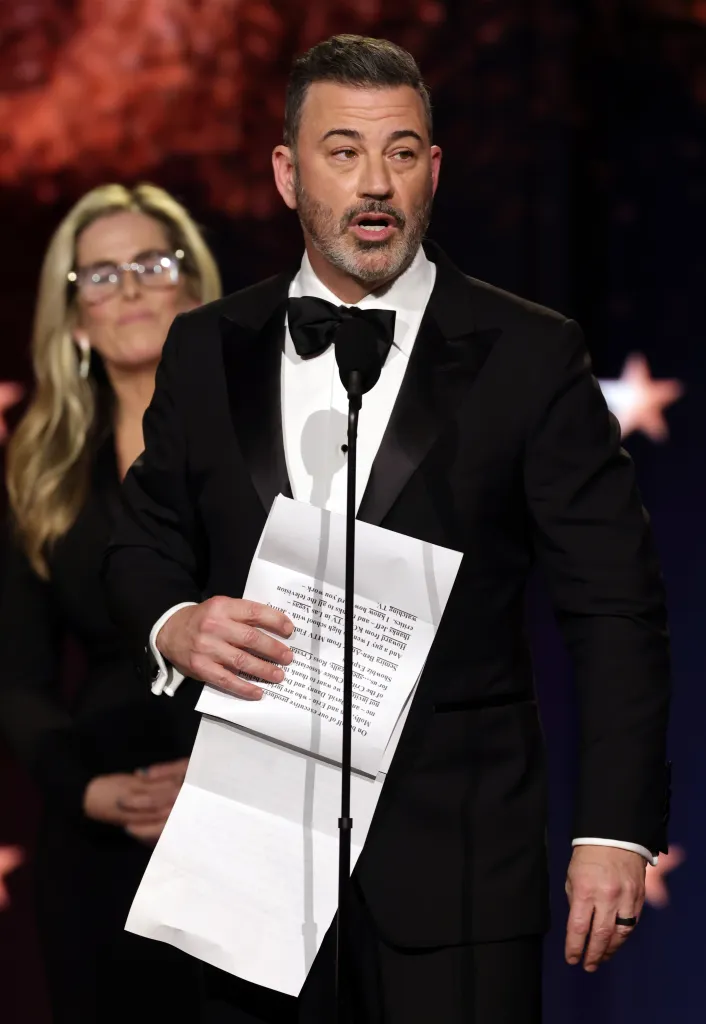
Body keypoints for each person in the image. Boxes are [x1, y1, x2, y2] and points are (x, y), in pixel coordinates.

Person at [103, 36, 671, 1024]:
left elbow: (615, 605)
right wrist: (175, 624)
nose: (375, 185)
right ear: (286, 172)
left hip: (455, 866)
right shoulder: (207, 347)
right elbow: (140, 537)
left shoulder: (530, 353)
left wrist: (614, 830)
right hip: (250, 860)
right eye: (342, 151)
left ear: (433, 170)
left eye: (401, 153)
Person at [0, 183, 221, 1023]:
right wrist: (85, 790)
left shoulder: (274, 443)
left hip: (266, 820)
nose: (128, 289)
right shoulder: (40, 471)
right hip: (104, 837)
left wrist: (232, 778)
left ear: (193, 292)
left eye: (151, 265)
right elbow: (15, 677)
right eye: (99, 276)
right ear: (75, 319)